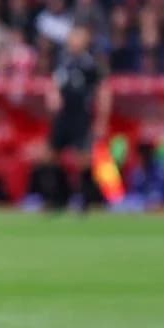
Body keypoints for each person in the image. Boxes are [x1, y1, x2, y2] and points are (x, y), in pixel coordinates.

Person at [46, 25, 112, 209]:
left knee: (83, 158)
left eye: (77, 38)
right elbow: (54, 83)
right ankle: (60, 197)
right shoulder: (63, 62)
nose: (72, 42)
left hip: (81, 115)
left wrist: (101, 120)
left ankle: (87, 199)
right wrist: (53, 96)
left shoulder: (91, 64)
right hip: (63, 115)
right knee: (51, 155)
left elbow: (103, 91)